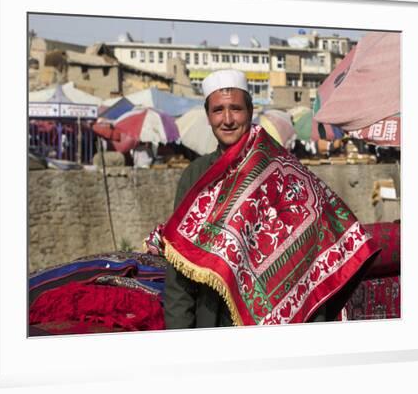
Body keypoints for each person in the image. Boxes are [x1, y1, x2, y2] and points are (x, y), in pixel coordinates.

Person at [145, 69, 379, 329]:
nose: (227, 119)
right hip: (211, 322)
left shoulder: (283, 170)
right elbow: (180, 271)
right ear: (208, 116)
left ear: (250, 110)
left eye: (235, 109)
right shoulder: (196, 177)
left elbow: (312, 251)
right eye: (218, 110)